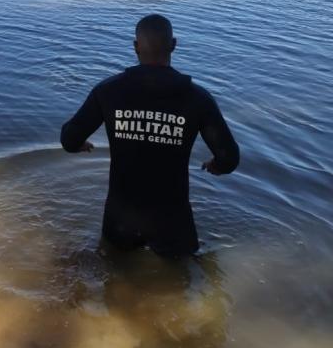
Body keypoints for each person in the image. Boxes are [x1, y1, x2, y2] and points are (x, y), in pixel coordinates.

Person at [60, 14, 240, 257]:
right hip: (172, 219)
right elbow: (229, 158)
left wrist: (79, 144)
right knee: (182, 275)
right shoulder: (198, 98)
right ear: (173, 45)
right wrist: (216, 165)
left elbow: (68, 139)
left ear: (136, 46)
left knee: (114, 272)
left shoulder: (108, 91)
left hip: (120, 218)